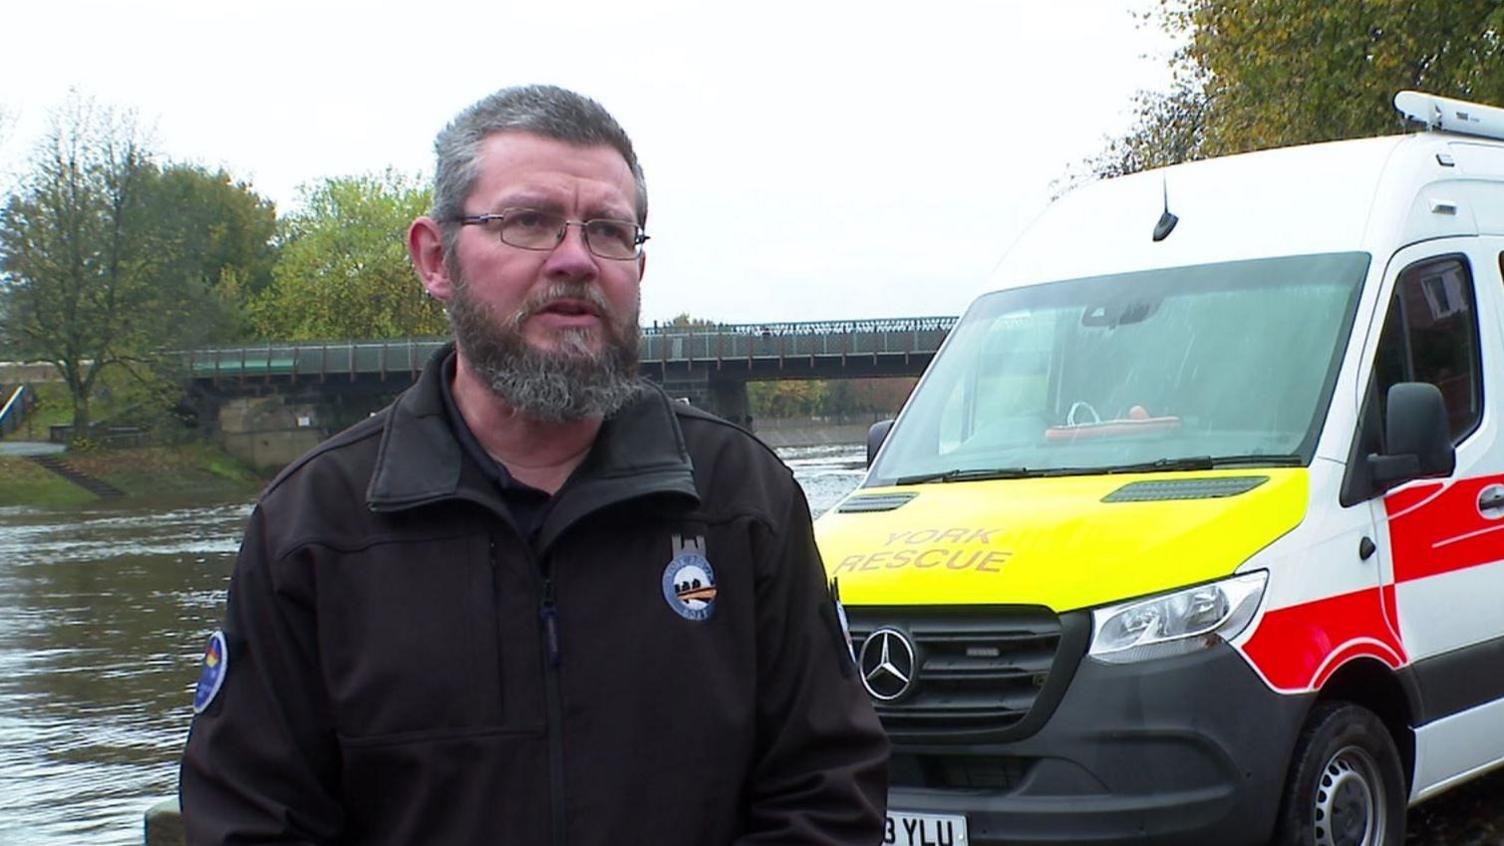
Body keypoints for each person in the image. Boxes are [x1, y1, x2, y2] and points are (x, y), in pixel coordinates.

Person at [178, 84, 889, 845]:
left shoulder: (741, 500)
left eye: (611, 231)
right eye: (530, 222)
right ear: (434, 258)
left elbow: (826, 791)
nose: (576, 259)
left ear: (637, 271)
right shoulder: (314, 526)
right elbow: (250, 820)